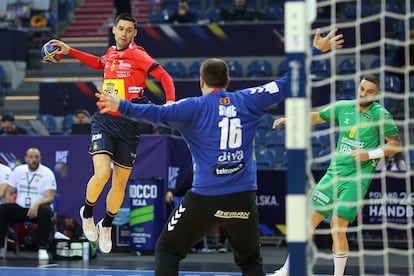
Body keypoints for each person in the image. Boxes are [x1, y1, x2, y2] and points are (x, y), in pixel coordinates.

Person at [95, 28, 343, 275]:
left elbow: (155, 113)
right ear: (228, 82)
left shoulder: (191, 107)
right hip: (243, 198)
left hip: (205, 198)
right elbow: (289, 83)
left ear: (201, 82)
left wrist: (121, 105)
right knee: (250, 261)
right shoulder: (248, 99)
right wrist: (315, 51)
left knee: (168, 250)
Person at [48, 12, 176, 253]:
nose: (125, 33)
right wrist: (70, 50)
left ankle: (106, 224)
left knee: (120, 183)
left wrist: (170, 101)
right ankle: (87, 212)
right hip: (104, 120)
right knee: (102, 173)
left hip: (129, 124)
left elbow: (164, 76)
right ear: (114, 30)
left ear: (134, 33)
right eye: (121, 29)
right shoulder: (110, 53)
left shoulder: (138, 54)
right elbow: (98, 63)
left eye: (130, 30)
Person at [270, 74, 402, 276]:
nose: (363, 93)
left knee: (337, 225)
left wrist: (370, 154)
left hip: (357, 179)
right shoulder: (344, 107)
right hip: (334, 173)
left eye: (369, 91)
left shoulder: (381, 115)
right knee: (308, 221)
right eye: (362, 89)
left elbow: (395, 144)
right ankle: (287, 269)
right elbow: (317, 116)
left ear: (378, 94)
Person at [0, 148, 57, 260]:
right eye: (31, 157)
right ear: (26, 159)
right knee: (3, 209)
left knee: (46, 211)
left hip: (38, 209)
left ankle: (42, 248)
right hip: (21, 208)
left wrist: (36, 204)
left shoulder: (47, 173)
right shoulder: (18, 171)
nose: (33, 160)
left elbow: (50, 197)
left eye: (36, 157)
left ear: (40, 158)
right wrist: (10, 205)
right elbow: (9, 192)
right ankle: (1, 247)